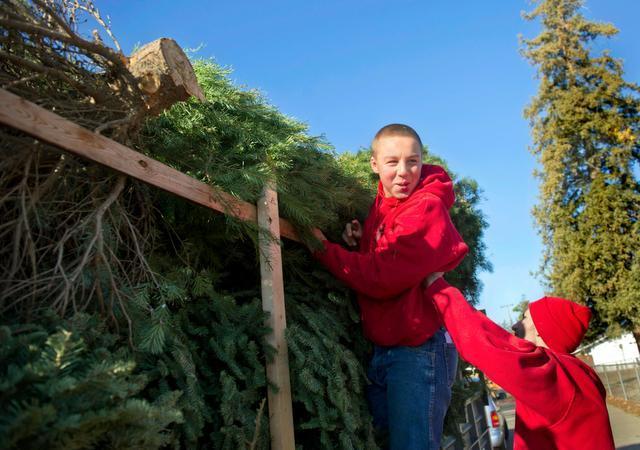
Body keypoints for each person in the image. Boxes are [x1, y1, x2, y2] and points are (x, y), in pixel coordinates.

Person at [311, 124, 469, 449]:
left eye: (412, 161)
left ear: (422, 160)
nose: (403, 172)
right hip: (386, 350)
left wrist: (323, 249)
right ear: (374, 164)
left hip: (418, 351)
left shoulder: (426, 207)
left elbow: (383, 276)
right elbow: (387, 253)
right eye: (392, 162)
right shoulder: (384, 203)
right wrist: (363, 240)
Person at [423, 273, 615, 450]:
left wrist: (438, 287)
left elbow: (484, 344)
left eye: (524, 318)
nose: (515, 325)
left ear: (542, 330)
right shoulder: (576, 375)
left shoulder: (555, 376)